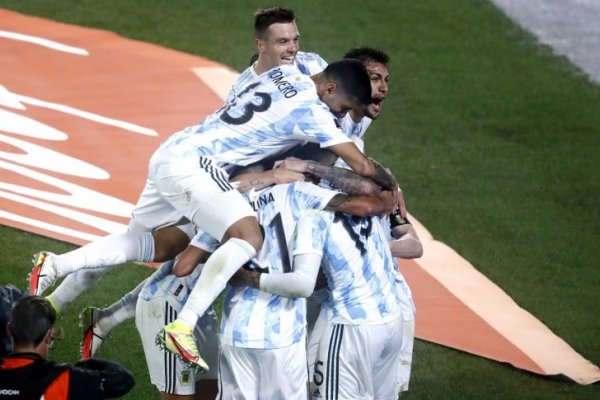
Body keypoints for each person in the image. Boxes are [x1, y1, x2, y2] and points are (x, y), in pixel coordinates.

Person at [27, 5, 327, 325]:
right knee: (176, 256)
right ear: (261, 46)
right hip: (212, 180)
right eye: (283, 42)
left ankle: (59, 297)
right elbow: (247, 153)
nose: (293, 48)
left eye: (295, 39)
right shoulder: (245, 88)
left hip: (199, 169)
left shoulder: (312, 65)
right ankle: (121, 319)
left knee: (142, 246)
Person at [173, 174, 395, 398]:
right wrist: (389, 197)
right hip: (282, 332)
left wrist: (226, 260)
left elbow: (184, 265)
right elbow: (360, 205)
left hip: (237, 329)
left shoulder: (231, 206)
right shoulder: (297, 193)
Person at [235, 207, 414, 399]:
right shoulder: (374, 198)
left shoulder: (313, 215)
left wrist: (248, 277)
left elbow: (303, 284)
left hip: (350, 323)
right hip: (387, 316)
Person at [0, 295, 134, 399]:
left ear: (9, 330)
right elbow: (123, 381)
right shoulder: (65, 379)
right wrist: (85, 365)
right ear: (48, 336)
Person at [135, 260, 219, 400]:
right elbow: (181, 266)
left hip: (200, 307)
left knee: (210, 385)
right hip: (172, 306)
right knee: (181, 393)